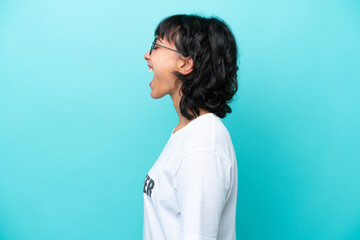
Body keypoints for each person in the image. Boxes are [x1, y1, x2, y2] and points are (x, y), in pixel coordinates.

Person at [143, 14, 239, 240]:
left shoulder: (202, 148)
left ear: (185, 64)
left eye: (156, 46)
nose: (147, 55)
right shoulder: (188, 134)